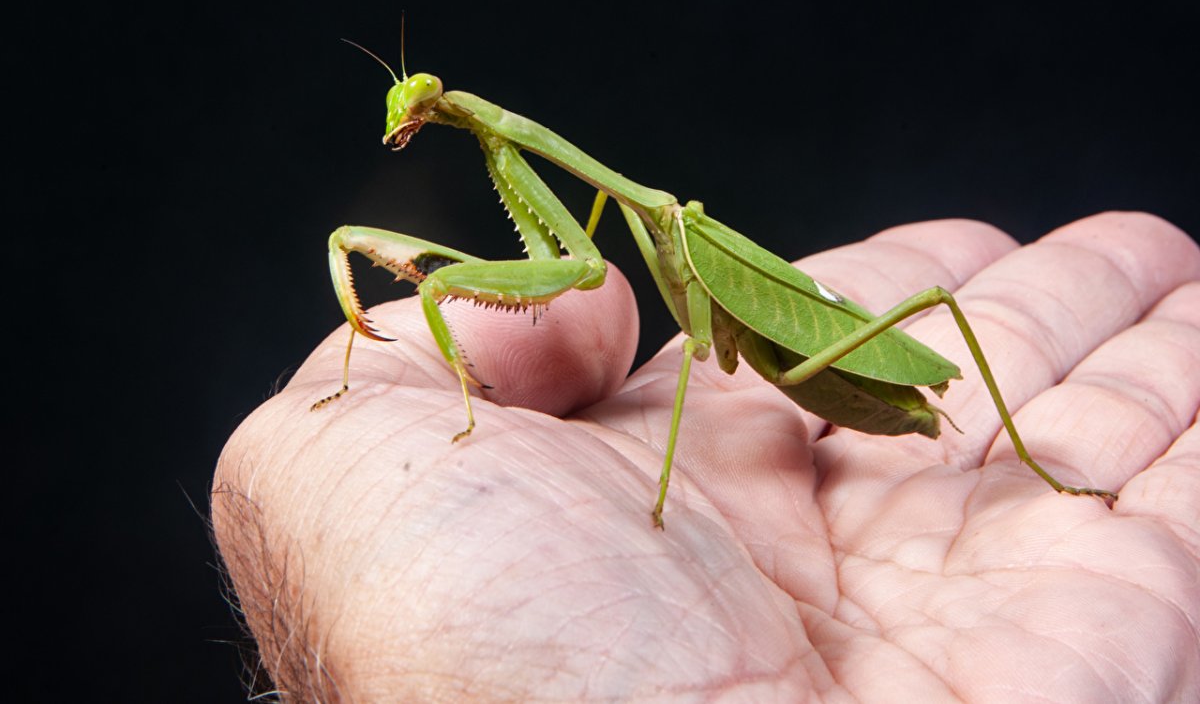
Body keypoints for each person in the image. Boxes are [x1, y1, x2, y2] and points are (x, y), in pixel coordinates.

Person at [213, 213, 1199, 701]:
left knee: (933, 305)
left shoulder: (647, 229)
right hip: (795, 379)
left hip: (833, 363)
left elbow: (694, 364)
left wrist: (654, 499)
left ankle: (1045, 462)